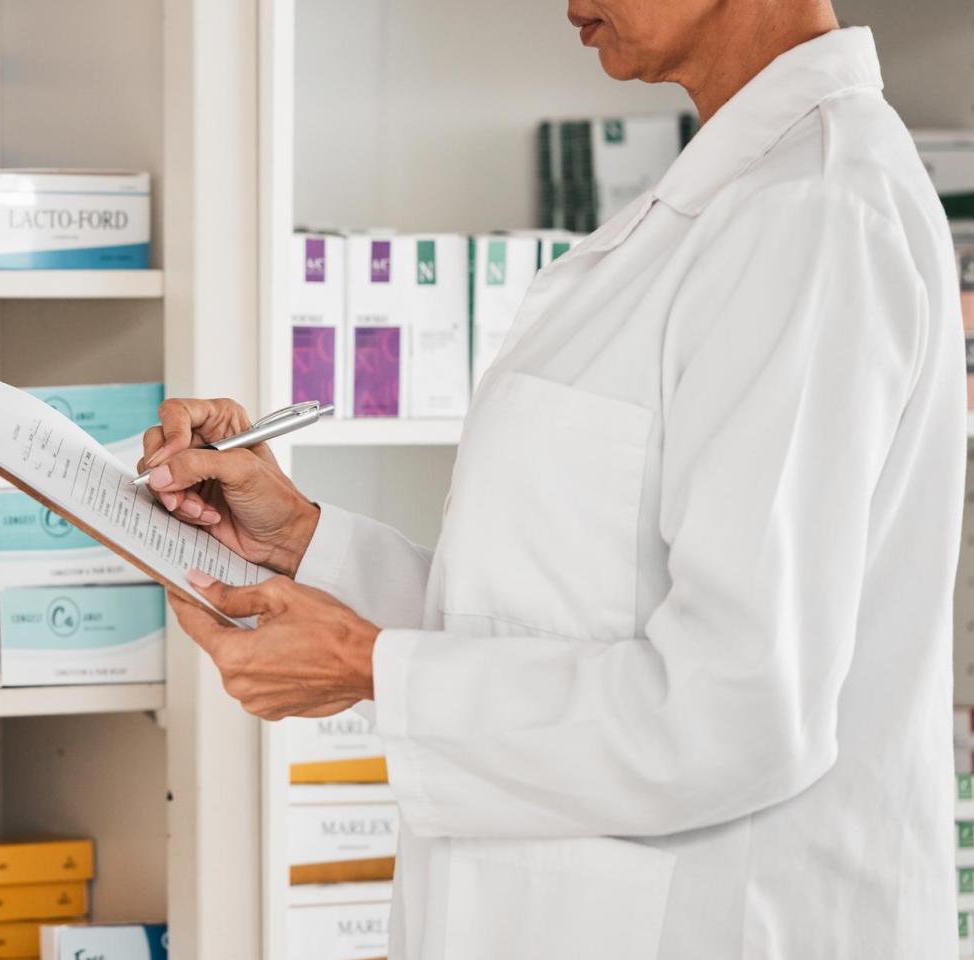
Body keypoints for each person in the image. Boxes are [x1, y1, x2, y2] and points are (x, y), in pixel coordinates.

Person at [141, 2, 966, 958]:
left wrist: (368, 666)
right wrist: (301, 541)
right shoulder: (737, 195)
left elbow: (738, 708)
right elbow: (575, 618)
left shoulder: (815, 214)